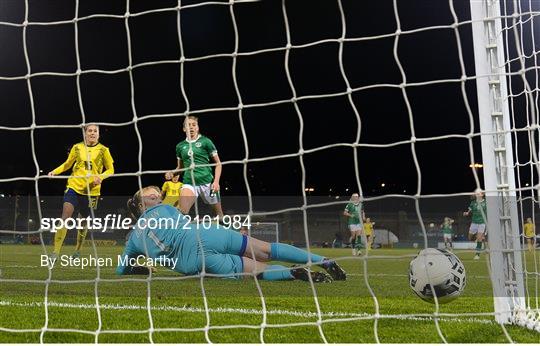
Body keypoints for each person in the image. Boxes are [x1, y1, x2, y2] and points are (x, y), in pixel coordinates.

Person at [116, 186, 346, 282]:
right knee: (266, 250)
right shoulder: (167, 208)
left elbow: (121, 270)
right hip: (206, 233)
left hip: (196, 262)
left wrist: (140, 268)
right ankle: (323, 261)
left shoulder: (133, 239)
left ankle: (294, 274)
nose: (157, 194)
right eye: (152, 194)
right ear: (141, 205)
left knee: (259, 271)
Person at [47, 124, 114, 260]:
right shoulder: (77, 147)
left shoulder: (103, 150)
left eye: (95, 131)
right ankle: (55, 252)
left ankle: (77, 250)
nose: (92, 133)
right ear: (85, 133)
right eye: (90, 130)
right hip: (74, 187)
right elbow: (67, 164)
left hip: (91, 192)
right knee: (65, 217)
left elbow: (111, 170)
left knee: (83, 223)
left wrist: (100, 177)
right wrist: (55, 171)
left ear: (98, 134)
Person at [165, 116, 223, 218]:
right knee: (182, 212)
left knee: (219, 216)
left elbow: (218, 164)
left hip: (208, 183)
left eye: (194, 125)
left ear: (197, 127)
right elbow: (180, 167)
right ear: (184, 129)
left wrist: (216, 182)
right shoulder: (180, 146)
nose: (191, 127)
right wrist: (172, 173)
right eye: (188, 125)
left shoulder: (206, 142)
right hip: (189, 182)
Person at [463, 189, 487, 260]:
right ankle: (479, 238)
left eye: (478, 193)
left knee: (479, 238)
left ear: (482, 194)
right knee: (470, 238)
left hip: (482, 222)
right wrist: (466, 213)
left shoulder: (486, 203)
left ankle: (477, 255)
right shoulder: (473, 203)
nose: (476, 194)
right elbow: (469, 211)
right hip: (474, 222)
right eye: (476, 193)